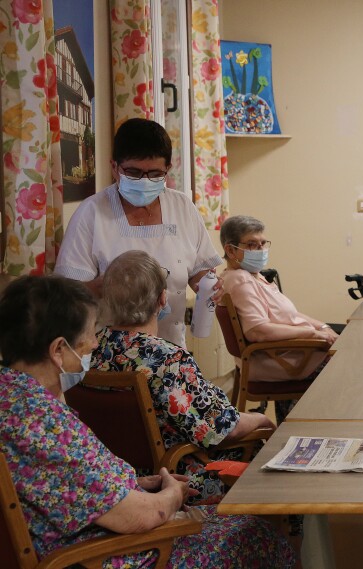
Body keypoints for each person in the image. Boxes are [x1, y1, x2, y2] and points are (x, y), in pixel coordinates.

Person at [0, 275, 293, 567]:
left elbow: (59, 486)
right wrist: (172, 496)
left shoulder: (12, 398)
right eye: (87, 338)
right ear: (58, 350)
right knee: (255, 532)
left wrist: (134, 483)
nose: (94, 343)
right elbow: (140, 516)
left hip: (91, 529)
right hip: (103, 555)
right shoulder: (45, 425)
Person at [91, 250, 276, 505]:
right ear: (162, 298)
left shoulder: (91, 350)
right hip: (177, 477)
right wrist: (262, 419)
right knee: (269, 459)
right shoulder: (168, 360)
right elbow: (221, 428)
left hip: (119, 479)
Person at [55, 118, 222, 349]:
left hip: (169, 348)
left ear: (167, 170)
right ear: (115, 167)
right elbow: (67, 292)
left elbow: (199, 272)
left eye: (155, 174)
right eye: (133, 172)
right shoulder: (91, 213)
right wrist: (112, 285)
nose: (144, 181)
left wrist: (210, 286)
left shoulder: (182, 207)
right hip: (107, 352)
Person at [218, 215, 337, 414]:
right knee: (347, 362)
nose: (260, 250)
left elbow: (290, 315)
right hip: (278, 358)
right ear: (230, 250)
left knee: (344, 345)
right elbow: (258, 330)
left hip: (287, 352)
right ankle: (305, 425)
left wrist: (323, 327)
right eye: (252, 244)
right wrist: (313, 334)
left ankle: (296, 421)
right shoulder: (241, 280)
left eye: (263, 244)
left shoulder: (254, 276)